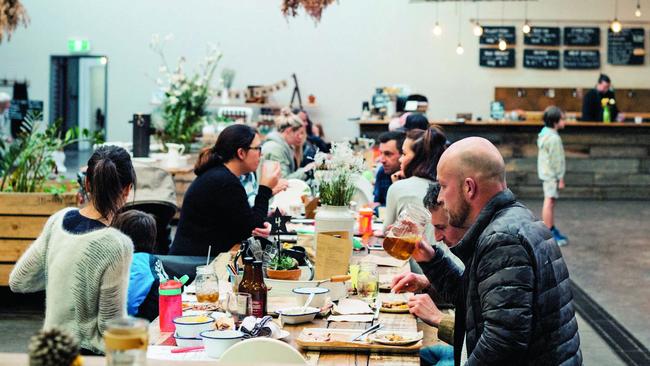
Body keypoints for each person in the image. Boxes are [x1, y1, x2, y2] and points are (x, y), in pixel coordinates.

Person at [407, 137, 582, 365]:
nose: (439, 196)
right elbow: (473, 298)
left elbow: (502, 343)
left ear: (469, 188)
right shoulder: (510, 220)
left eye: (443, 186)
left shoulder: (502, 239)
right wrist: (431, 259)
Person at [9, 146, 136, 355]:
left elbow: (19, 280)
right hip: (85, 356)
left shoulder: (58, 219)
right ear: (127, 189)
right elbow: (110, 327)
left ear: (87, 182)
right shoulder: (117, 245)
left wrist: (62, 276)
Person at [170, 124, 280, 256]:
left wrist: (265, 217)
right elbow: (252, 228)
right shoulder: (224, 182)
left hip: (203, 256)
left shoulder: (222, 175)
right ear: (241, 153)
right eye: (257, 148)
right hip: (196, 264)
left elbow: (244, 220)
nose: (260, 154)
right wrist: (265, 188)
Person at [392, 182, 466, 366]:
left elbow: (494, 343)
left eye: (442, 227)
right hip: (458, 349)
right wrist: (428, 274)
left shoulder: (502, 246)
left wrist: (439, 319)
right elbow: (467, 292)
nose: (438, 237)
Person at [384, 127, 447, 228]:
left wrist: (396, 185)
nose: (400, 159)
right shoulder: (445, 188)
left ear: (418, 158)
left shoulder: (398, 188)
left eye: (404, 154)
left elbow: (387, 230)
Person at [113, 210, 168, 322]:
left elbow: (129, 303)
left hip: (144, 324)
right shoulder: (151, 260)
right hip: (161, 317)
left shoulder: (136, 263)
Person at [538, 106, 568, 246]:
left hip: (547, 174)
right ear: (556, 121)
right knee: (549, 202)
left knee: (550, 201)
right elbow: (557, 161)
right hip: (552, 175)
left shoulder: (544, 135)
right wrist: (560, 177)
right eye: (563, 119)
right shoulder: (554, 139)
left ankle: (551, 227)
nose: (565, 121)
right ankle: (548, 231)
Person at [260, 108, 314, 180]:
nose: (301, 137)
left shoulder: (281, 147)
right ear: (289, 131)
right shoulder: (275, 149)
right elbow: (284, 180)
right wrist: (306, 170)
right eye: (299, 133)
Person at [373, 131, 405, 207]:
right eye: (381, 153)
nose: (382, 160)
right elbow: (376, 204)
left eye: (388, 154)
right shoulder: (382, 172)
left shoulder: (412, 177)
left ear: (403, 154)